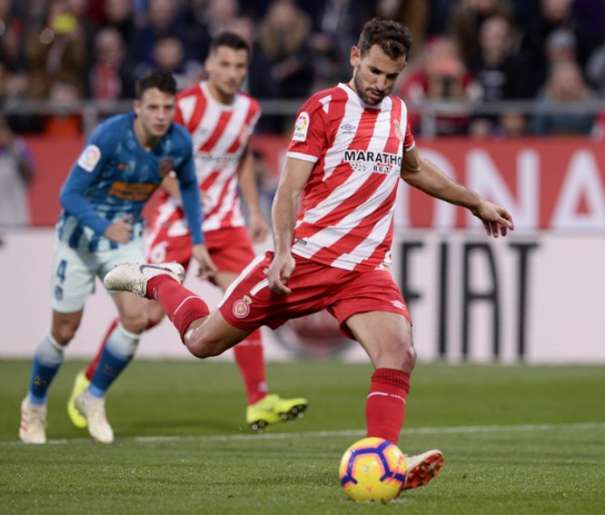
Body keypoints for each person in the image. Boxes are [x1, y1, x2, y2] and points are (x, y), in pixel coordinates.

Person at [105, 19, 514, 491]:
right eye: (375, 72)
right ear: (355, 58)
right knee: (201, 341)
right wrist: (281, 251)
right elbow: (289, 189)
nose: (381, 85)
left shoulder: (399, 113)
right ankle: (157, 278)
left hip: (365, 269)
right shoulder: (323, 108)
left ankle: (386, 461)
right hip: (305, 260)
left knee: (398, 353)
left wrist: (475, 201)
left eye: (391, 77)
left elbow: (416, 170)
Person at [69, 32, 308, 434]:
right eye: (226, 64)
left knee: (245, 302)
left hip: (228, 222)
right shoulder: (185, 107)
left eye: (240, 67)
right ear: (209, 66)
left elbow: (242, 159)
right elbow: (156, 165)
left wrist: (252, 208)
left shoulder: (248, 109)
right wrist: (191, 204)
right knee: (147, 316)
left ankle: (258, 400)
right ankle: (90, 380)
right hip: (179, 222)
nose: (233, 73)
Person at [19, 71, 215, 445]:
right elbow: (69, 194)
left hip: (123, 243)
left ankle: (92, 396)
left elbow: (188, 187)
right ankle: (34, 405)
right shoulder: (110, 135)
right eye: (153, 107)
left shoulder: (178, 141)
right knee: (63, 332)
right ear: (137, 107)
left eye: (168, 108)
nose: (161, 115)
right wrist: (103, 227)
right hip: (78, 240)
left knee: (137, 318)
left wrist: (199, 240)